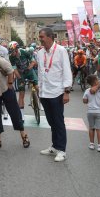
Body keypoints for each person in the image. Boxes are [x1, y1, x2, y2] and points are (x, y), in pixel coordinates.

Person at [37, 28, 72, 162]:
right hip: (45, 92)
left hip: (57, 92)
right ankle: (54, 146)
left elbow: (67, 71)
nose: (40, 39)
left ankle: (62, 150)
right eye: (39, 37)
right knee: (51, 122)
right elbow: (41, 71)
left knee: (58, 122)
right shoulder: (40, 53)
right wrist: (40, 89)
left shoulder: (61, 51)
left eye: (42, 37)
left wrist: (66, 92)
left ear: (51, 37)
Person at [8, 41, 37, 118]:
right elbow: (15, 70)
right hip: (20, 73)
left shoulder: (24, 52)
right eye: (10, 51)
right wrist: (20, 79)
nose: (11, 53)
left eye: (12, 51)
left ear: (16, 49)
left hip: (29, 70)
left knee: (37, 87)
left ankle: (40, 102)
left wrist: (29, 68)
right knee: (21, 94)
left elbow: (33, 61)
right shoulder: (11, 57)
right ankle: (21, 114)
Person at [83, 75, 100, 152]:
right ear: (95, 82)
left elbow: (84, 101)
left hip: (90, 111)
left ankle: (91, 144)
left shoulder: (87, 91)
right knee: (99, 129)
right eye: (98, 79)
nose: (99, 80)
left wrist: (89, 100)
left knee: (91, 128)